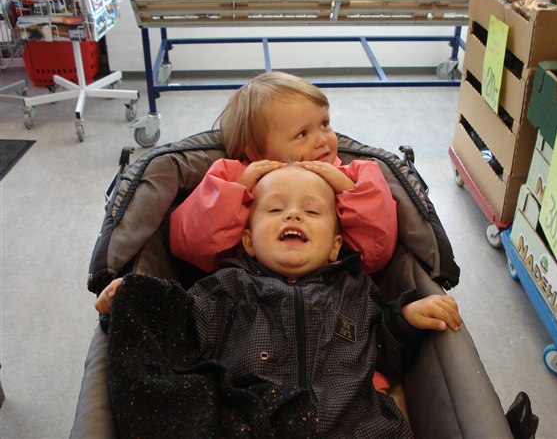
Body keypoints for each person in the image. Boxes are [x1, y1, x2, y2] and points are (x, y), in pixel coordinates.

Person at [99, 165, 461, 438]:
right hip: (253, 422)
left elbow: (385, 351)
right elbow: (181, 329)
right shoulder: (228, 286)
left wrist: (406, 318)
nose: (293, 214)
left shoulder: (356, 289)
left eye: (313, 212)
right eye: (274, 210)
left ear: (335, 246)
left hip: (352, 425)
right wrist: (135, 298)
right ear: (249, 241)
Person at [169, 71, 398, 275]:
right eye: (302, 134)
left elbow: (375, 255)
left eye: (324, 124)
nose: (322, 140)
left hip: (330, 291)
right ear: (256, 151)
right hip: (247, 290)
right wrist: (237, 191)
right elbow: (191, 247)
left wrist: (349, 190)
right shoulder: (231, 178)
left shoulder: (357, 177)